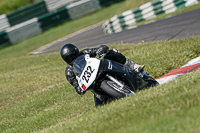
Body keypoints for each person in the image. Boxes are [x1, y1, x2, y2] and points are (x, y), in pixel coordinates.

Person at [60, 43, 144, 107]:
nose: (72, 59)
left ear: (76, 52)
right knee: (99, 106)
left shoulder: (84, 53)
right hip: (94, 85)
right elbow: (77, 88)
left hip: (99, 69)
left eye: (73, 55)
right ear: (65, 60)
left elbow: (101, 48)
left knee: (112, 52)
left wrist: (101, 49)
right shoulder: (69, 72)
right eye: (69, 58)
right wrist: (81, 87)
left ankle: (134, 67)